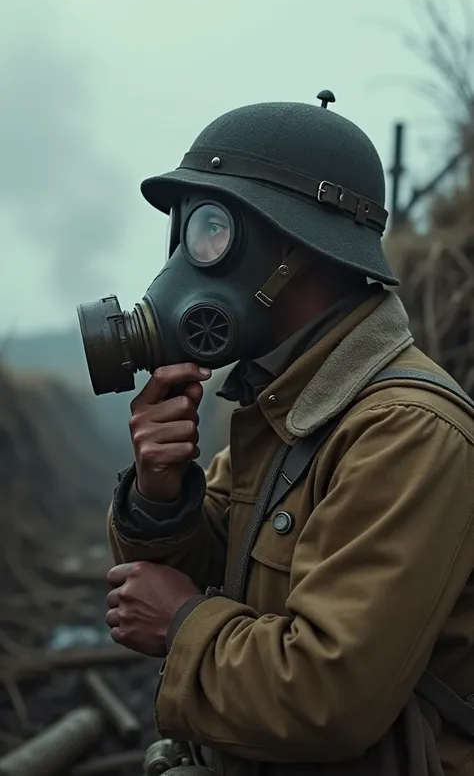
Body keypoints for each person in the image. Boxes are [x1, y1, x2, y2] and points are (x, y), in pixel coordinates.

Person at [105, 95, 474, 775]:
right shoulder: (289, 396)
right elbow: (214, 566)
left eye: (210, 229)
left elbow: (329, 697)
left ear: (293, 246)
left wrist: (183, 625)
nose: (188, 259)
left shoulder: (402, 432)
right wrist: (162, 493)